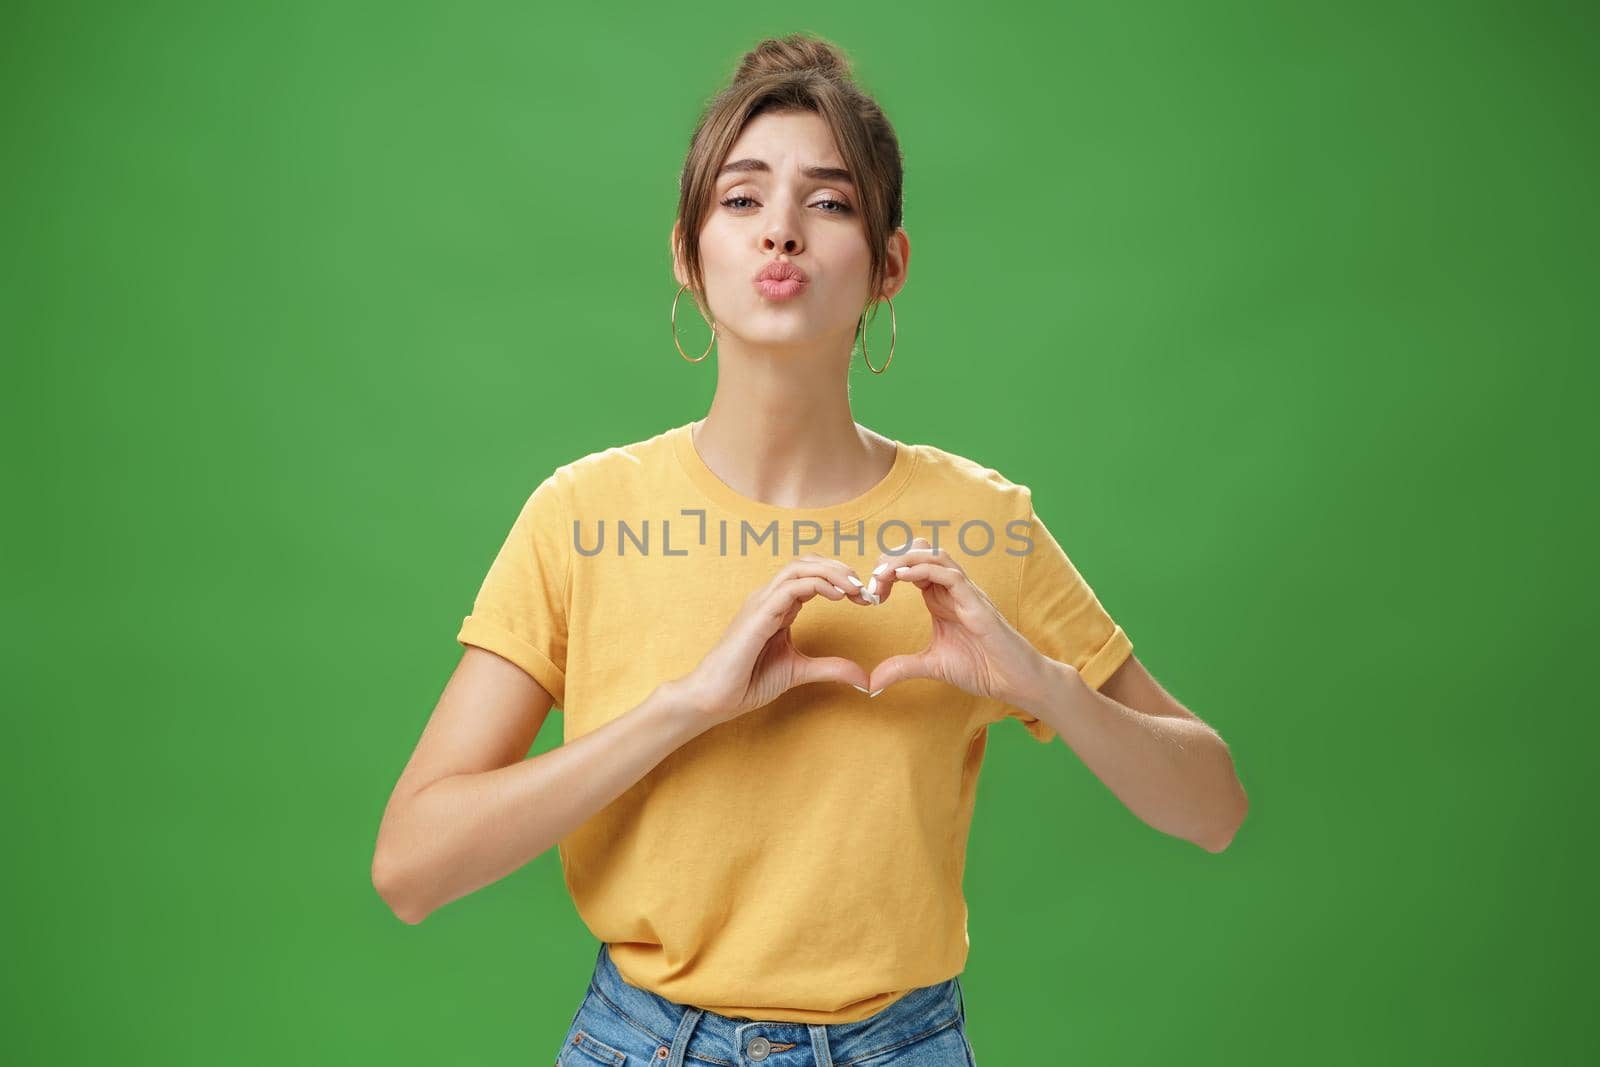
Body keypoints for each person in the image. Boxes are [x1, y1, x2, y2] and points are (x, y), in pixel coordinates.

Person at [372, 32, 1248, 1067]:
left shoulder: (980, 522)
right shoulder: (583, 514)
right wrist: (684, 707)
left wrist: (1043, 681)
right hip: (640, 1043)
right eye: (741, 200)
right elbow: (412, 866)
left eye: (827, 202)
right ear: (686, 254)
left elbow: (1214, 807)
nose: (779, 230)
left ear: (889, 265)